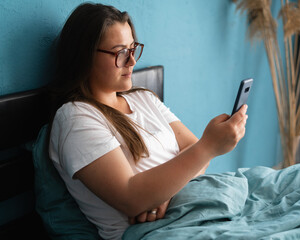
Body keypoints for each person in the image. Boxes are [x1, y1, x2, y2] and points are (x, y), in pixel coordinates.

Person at [48, 3, 248, 239]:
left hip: (190, 210)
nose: (132, 61)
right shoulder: (75, 118)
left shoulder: (143, 98)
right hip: (155, 231)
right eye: (120, 52)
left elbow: (194, 153)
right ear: (85, 55)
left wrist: (163, 195)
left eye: (133, 49)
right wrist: (209, 147)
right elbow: (131, 197)